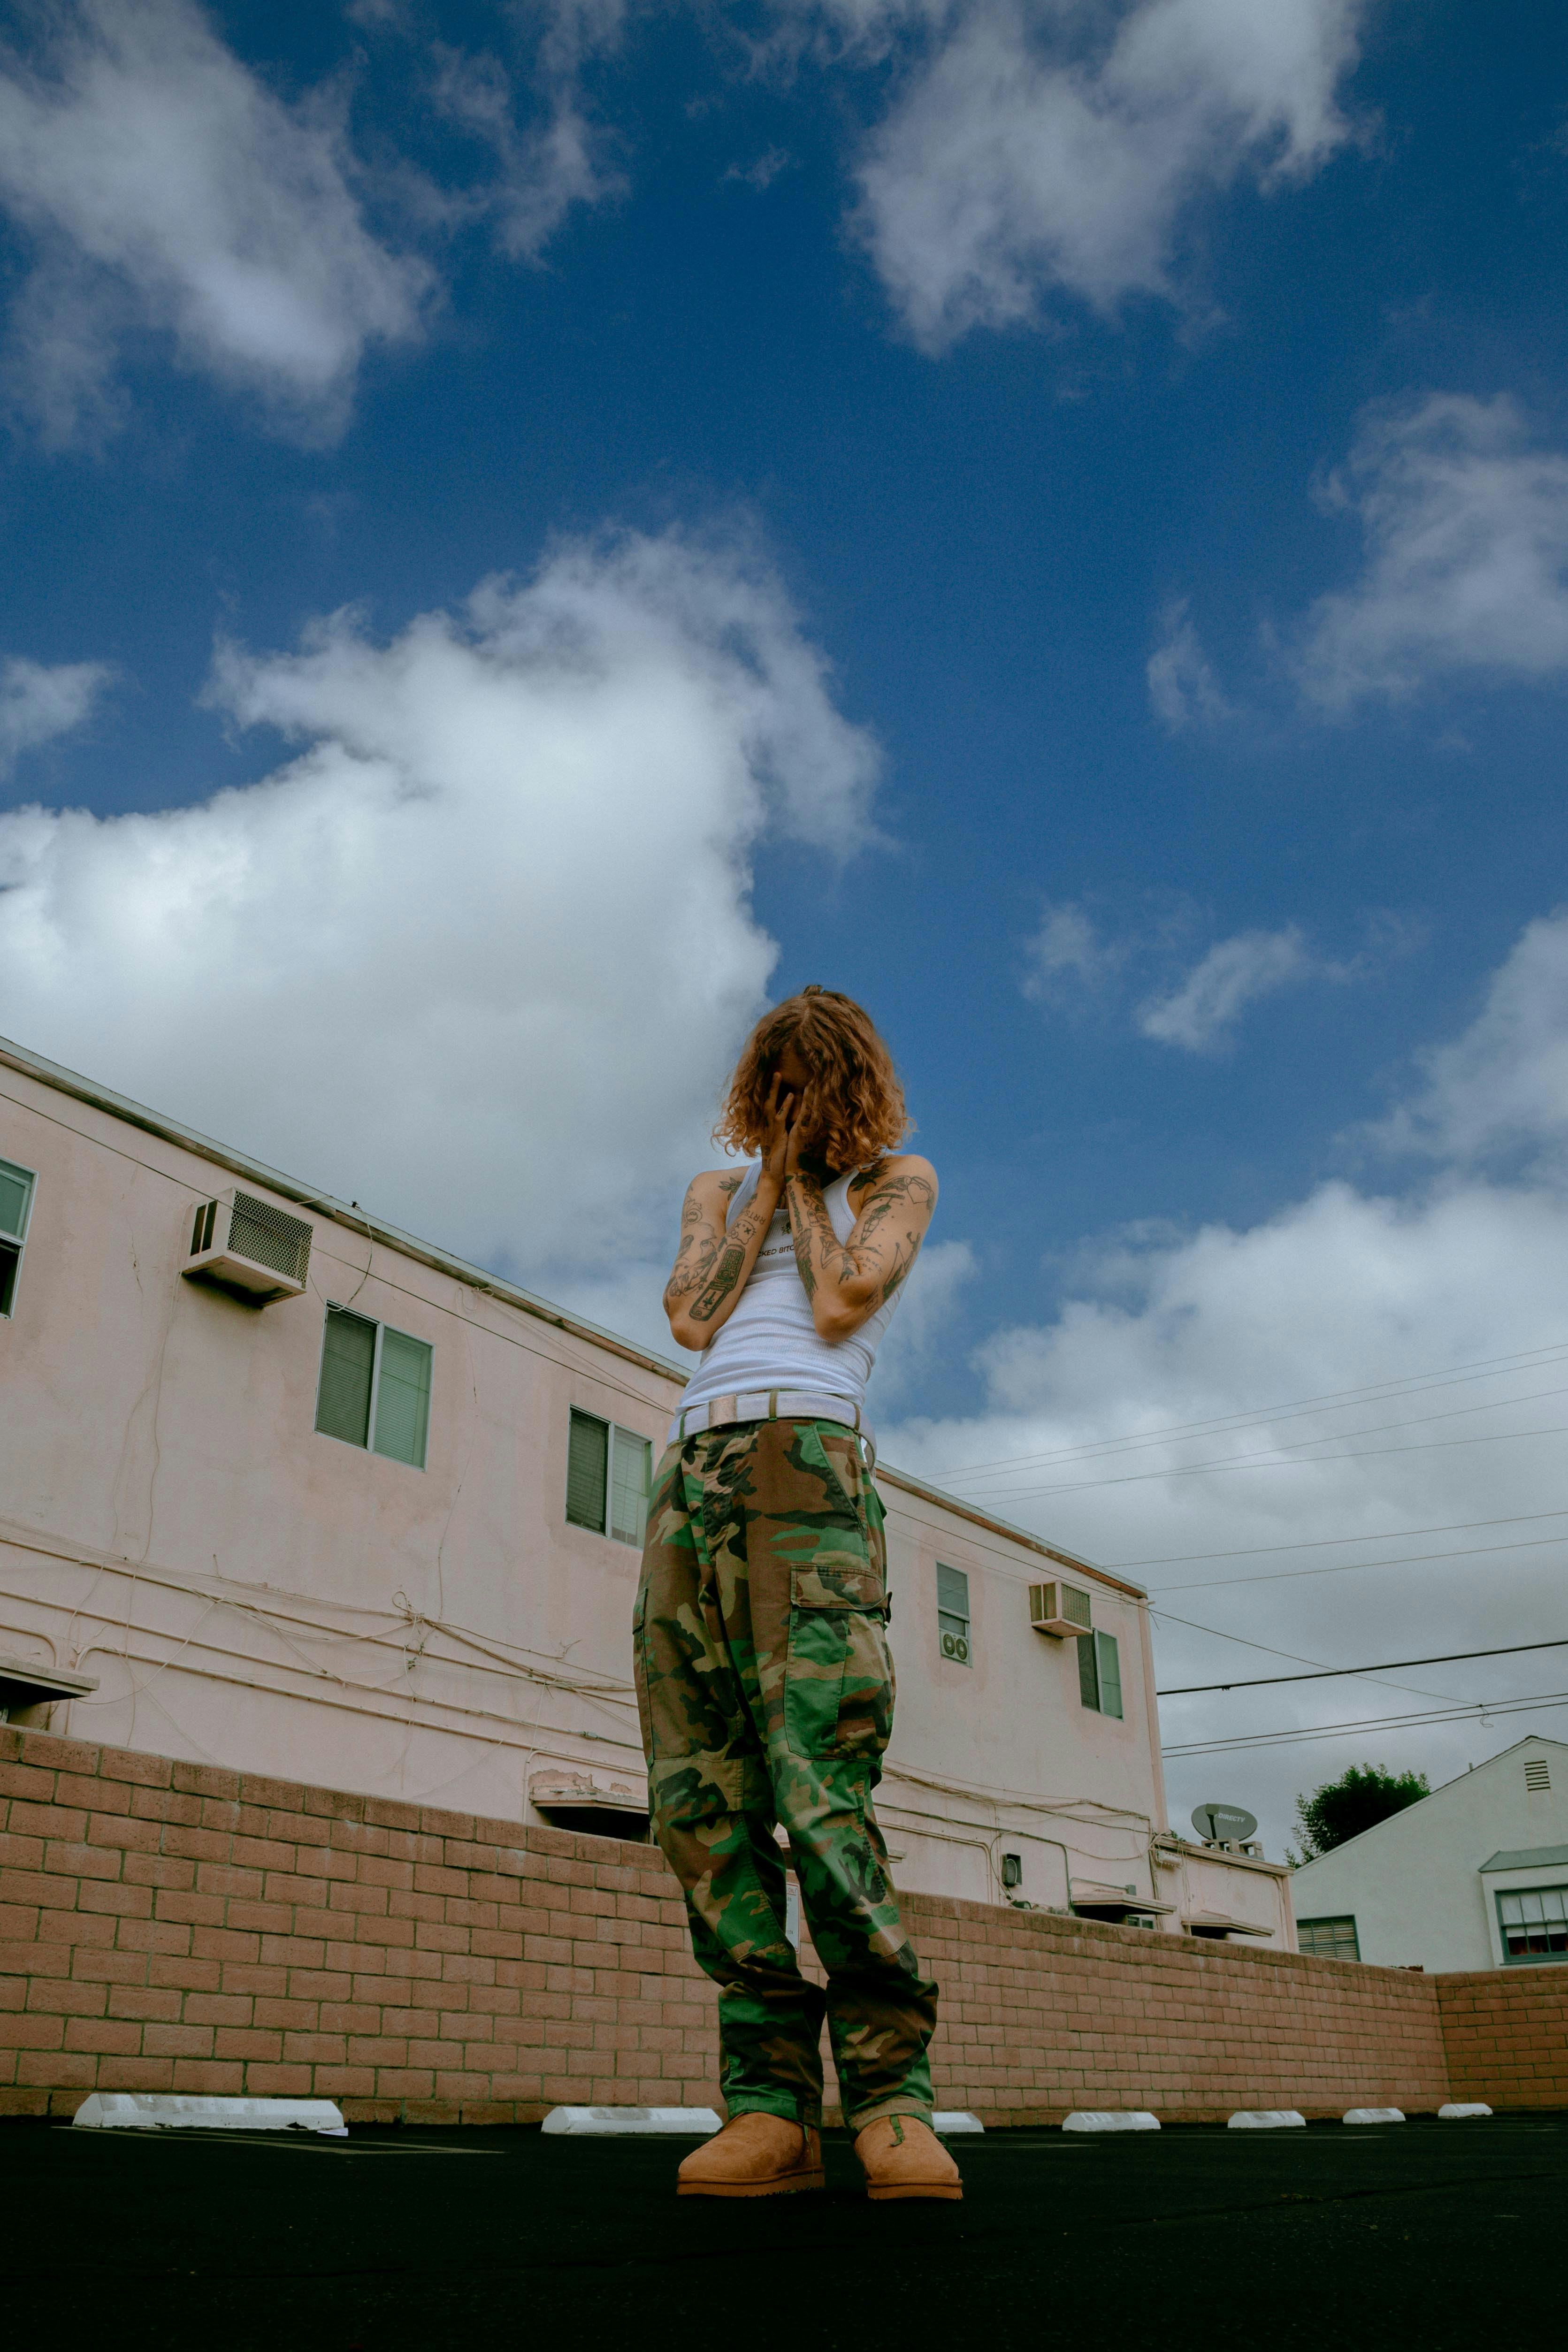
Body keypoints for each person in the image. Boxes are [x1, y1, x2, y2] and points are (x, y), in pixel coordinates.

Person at [634, 985, 961, 2201]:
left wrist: (812, 1188)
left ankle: (888, 2096)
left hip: (810, 1473)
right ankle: (769, 2104)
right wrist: (768, 1177)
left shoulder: (893, 1183)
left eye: (812, 1090)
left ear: (855, 1090)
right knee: (697, 1794)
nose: (794, 1109)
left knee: (819, 1783)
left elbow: (840, 1302)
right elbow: (689, 1313)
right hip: (694, 1475)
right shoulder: (719, 1194)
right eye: (777, 1090)